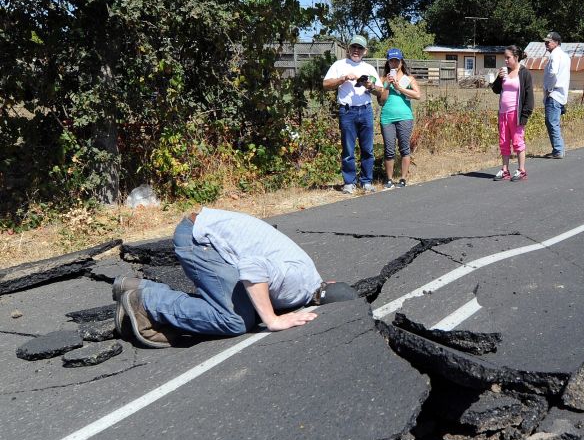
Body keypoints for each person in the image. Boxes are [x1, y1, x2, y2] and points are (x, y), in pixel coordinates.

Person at [110, 208, 358, 348]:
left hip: (205, 232)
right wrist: (272, 320)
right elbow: (252, 268)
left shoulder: (310, 275)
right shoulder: (296, 286)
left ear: (332, 281)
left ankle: (138, 286)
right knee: (235, 321)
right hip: (197, 239)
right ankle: (145, 303)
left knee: (248, 308)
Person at [323, 35, 381, 194]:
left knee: (367, 148)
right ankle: (349, 182)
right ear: (348, 49)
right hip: (347, 111)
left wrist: (370, 85)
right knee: (348, 149)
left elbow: (380, 91)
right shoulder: (339, 65)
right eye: (354, 47)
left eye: (360, 48)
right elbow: (326, 84)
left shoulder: (369, 68)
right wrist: (342, 79)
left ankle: (366, 181)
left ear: (365, 51)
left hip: (366, 109)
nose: (356, 50)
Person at [378, 48, 422, 189]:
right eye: (392, 61)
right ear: (388, 63)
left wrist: (400, 87)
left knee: (404, 148)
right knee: (389, 149)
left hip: (404, 117)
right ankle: (389, 179)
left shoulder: (408, 79)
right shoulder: (383, 79)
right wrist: (389, 85)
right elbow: (381, 101)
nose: (394, 63)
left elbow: (417, 95)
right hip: (387, 118)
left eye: (397, 61)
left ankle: (403, 178)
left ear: (401, 62)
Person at [490, 44, 535, 182]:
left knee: (517, 142)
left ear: (516, 57)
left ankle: (521, 170)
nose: (505, 60)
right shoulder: (505, 72)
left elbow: (529, 97)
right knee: (503, 142)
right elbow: (496, 90)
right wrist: (499, 77)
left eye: (508, 57)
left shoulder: (524, 73)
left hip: (516, 113)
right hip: (503, 113)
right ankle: (505, 170)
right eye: (505, 57)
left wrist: (524, 116)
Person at [541, 31, 570, 159]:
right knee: (553, 122)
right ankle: (558, 149)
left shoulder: (555, 55)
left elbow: (553, 72)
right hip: (560, 94)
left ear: (556, 42)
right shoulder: (565, 56)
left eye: (549, 41)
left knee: (552, 122)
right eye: (546, 41)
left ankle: (558, 150)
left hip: (554, 94)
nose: (546, 43)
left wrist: (549, 89)